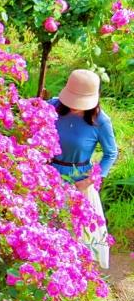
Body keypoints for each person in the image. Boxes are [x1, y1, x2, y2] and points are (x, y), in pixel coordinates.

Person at [51, 69, 119, 269]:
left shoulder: (100, 121)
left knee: (74, 232)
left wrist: (89, 181)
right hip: (48, 175)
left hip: (78, 181)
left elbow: (111, 154)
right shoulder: (53, 106)